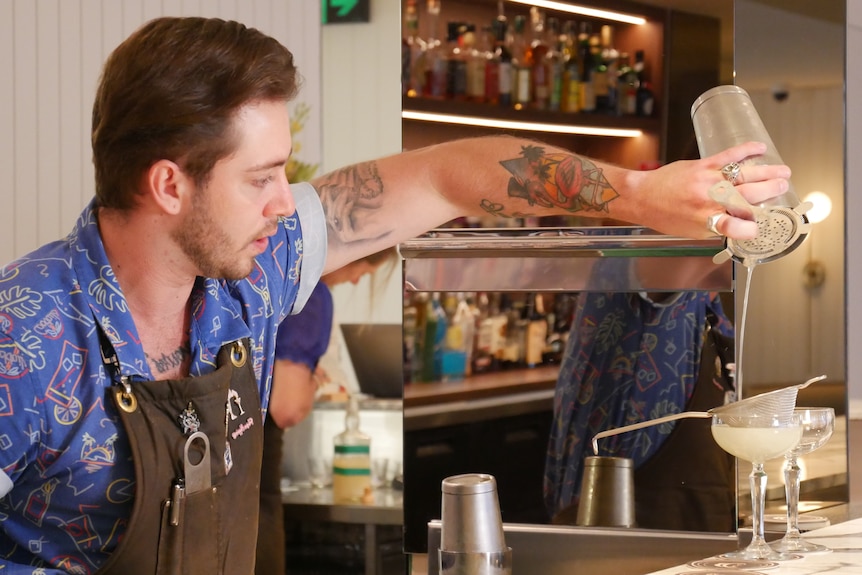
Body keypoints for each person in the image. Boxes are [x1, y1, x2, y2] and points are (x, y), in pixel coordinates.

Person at [0, 15, 790, 574]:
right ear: (169, 184)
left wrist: (641, 195)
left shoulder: (256, 272)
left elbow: (454, 174)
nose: (287, 201)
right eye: (261, 178)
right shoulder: (21, 338)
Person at [543, 288, 737, 531]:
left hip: (697, 530)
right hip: (626, 539)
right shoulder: (653, 295)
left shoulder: (705, 308)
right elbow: (665, 267)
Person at [255, 248, 397, 575]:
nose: (358, 279)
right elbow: (285, 408)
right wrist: (311, 384)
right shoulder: (310, 297)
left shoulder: (269, 280)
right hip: (259, 472)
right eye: (362, 268)